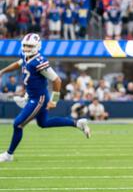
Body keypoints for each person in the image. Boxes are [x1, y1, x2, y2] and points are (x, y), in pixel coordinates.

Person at [0, 33, 91, 163]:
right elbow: (18, 63)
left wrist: (54, 100)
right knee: (43, 123)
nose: (26, 48)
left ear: (37, 46)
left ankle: (9, 155)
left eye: (29, 46)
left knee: (18, 124)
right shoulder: (26, 56)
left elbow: (57, 80)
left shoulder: (39, 61)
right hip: (32, 95)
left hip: (38, 99)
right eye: (24, 45)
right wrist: (2, 71)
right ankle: (77, 123)